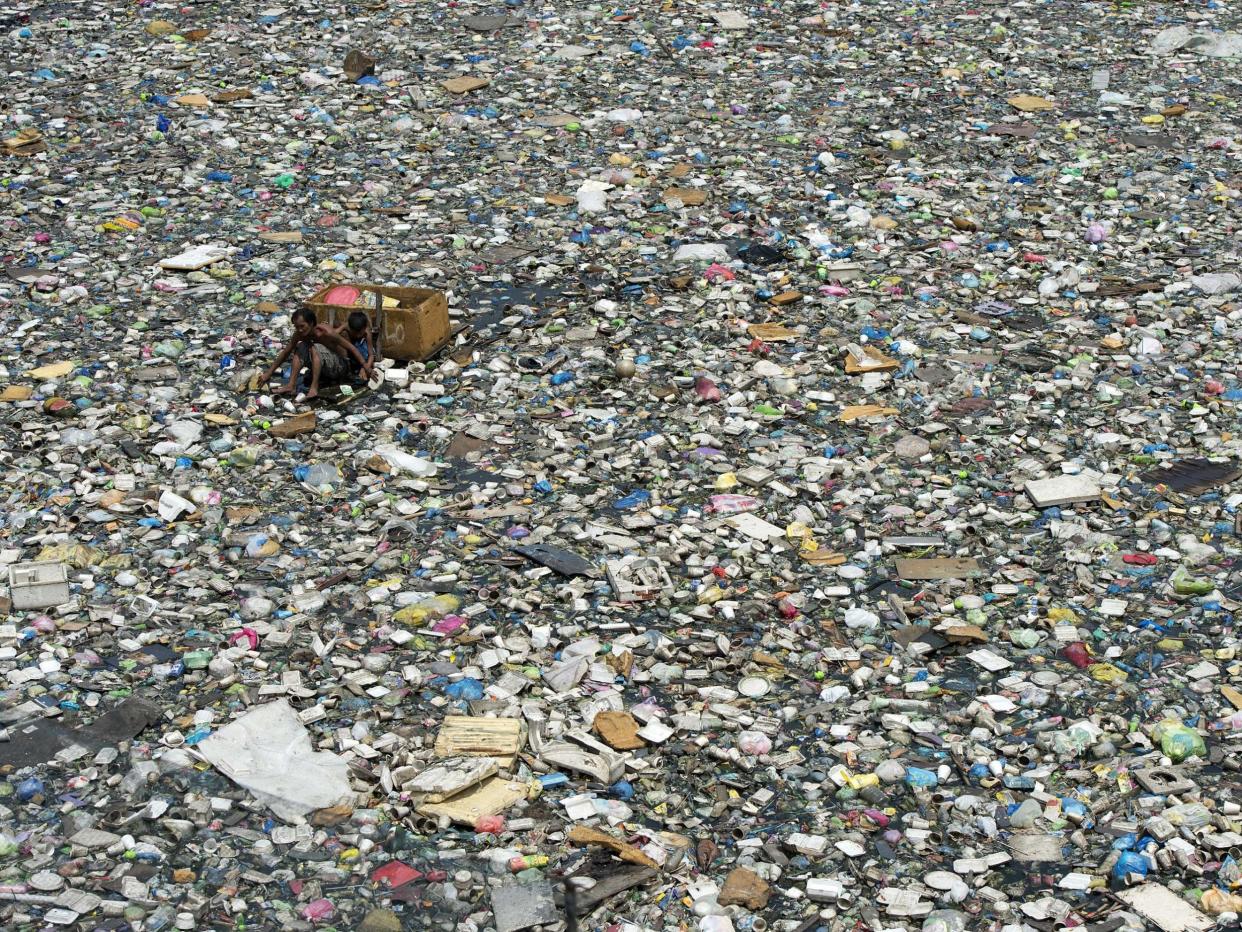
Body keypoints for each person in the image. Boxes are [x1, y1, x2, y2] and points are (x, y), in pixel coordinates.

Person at [258, 309, 372, 399]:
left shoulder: (326, 332)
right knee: (302, 346)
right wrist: (268, 373)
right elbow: (286, 352)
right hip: (324, 368)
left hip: (340, 367)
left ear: (311, 323)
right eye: (297, 327)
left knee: (315, 347)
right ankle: (291, 385)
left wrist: (365, 366)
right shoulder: (299, 335)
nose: (300, 330)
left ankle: (314, 387)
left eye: (302, 326)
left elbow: (351, 348)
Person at [334, 310, 375, 377]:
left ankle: (360, 368)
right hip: (353, 351)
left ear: (364, 328)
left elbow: (371, 355)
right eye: (355, 333)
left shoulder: (367, 333)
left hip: (365, 353)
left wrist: (366, 368)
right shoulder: (347, 326)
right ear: (350, 328)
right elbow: (334, 333)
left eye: (360, 333)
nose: (358, 336)